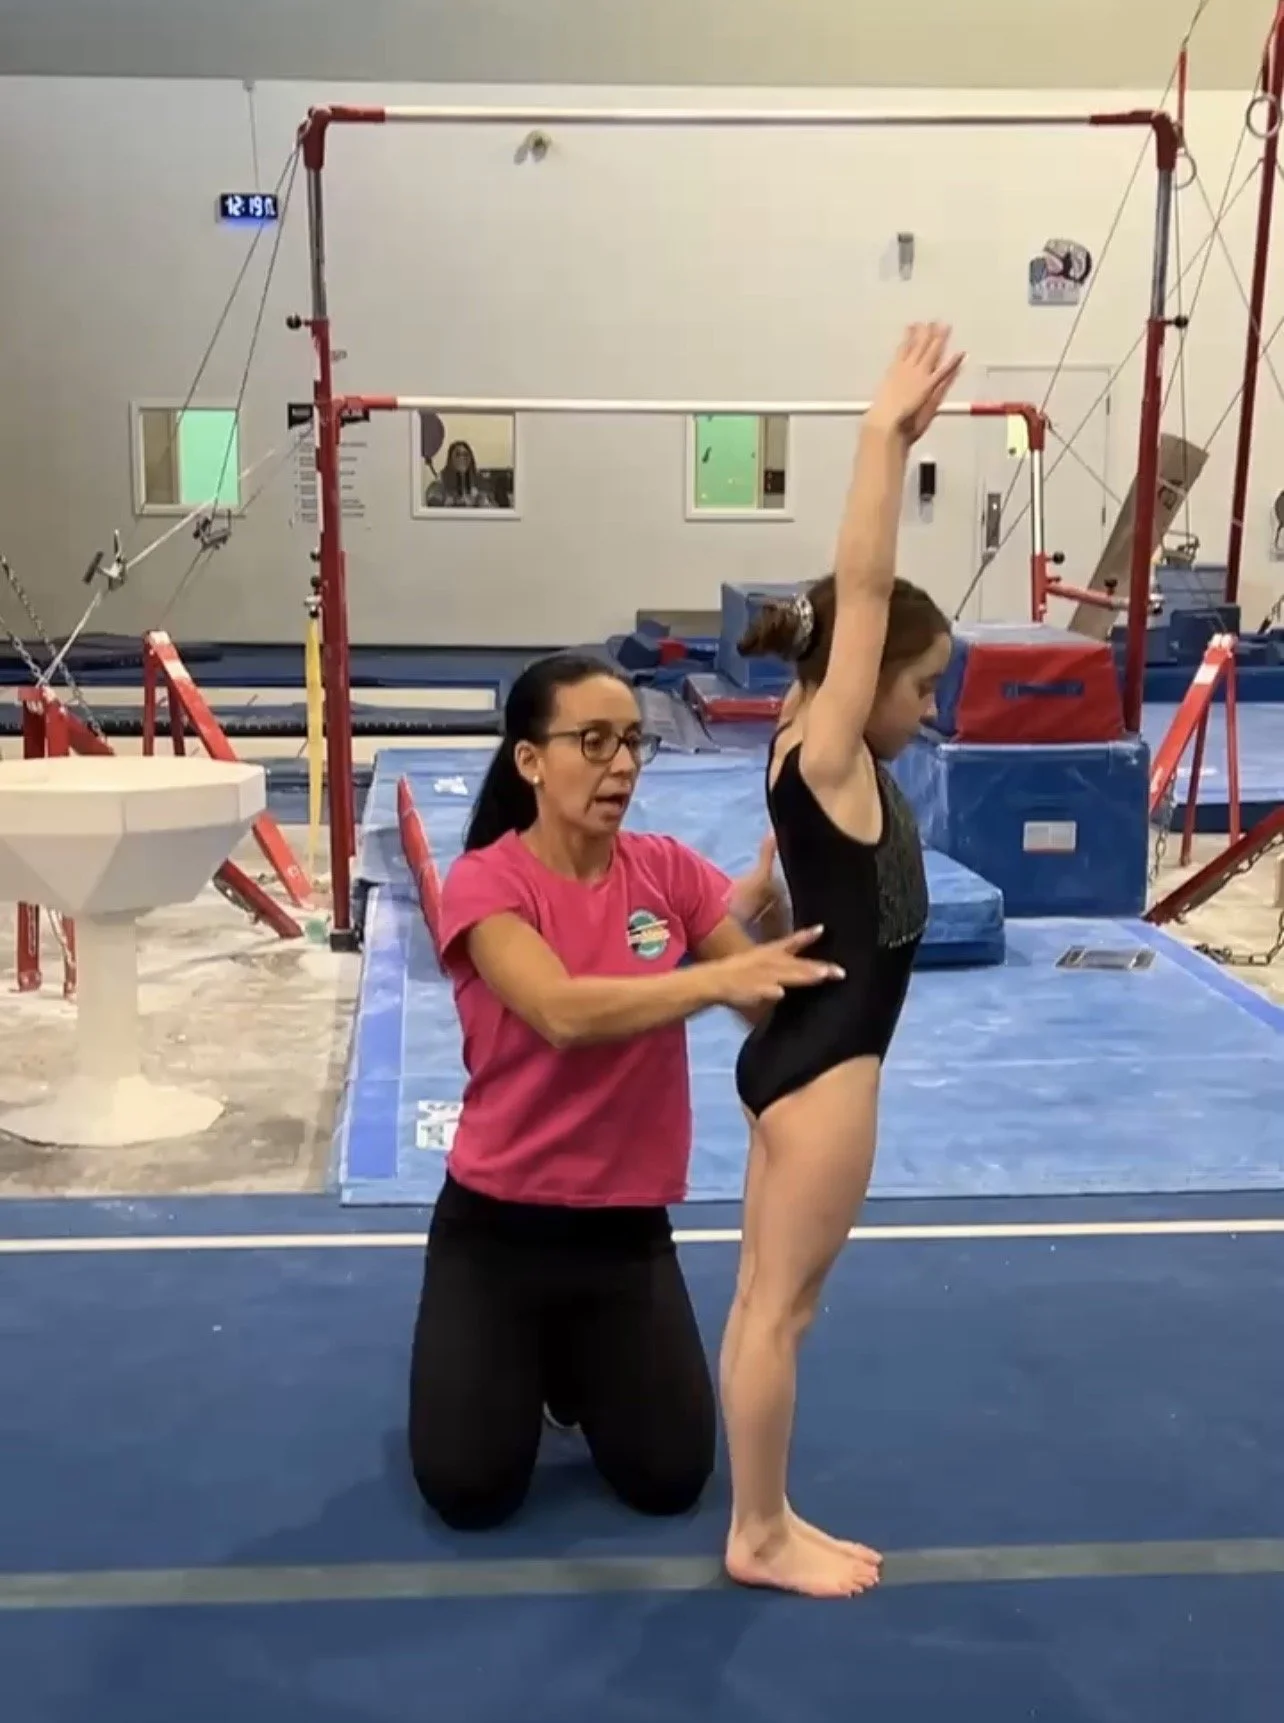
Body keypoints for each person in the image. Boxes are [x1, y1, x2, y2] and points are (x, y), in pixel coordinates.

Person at [407, 651, 841, 1531]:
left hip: (623, 1234)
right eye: (593, 741)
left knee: (669, 1477)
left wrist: (782, 916)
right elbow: (560, 1011)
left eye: (634, 742)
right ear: (531, 760)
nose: (623, 764)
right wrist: (709, 978)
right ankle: (528, 1357)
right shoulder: (489, 881)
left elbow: (766, 1004)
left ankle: (571, 1363)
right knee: (470, 1491)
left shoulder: (665, 872)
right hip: (496, 1230)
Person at [720, 323, 963, 1599]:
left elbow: (774, 897)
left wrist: (751, 927)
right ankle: (758, 1533)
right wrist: (883, 436)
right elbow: (862, 590)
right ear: (858, 677)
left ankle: (764, 1512)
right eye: (919, 688)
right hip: (830, 1077)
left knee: (763, 1303)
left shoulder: (796, 751)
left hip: (794, 1057)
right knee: (781, 1315)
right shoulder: (831, 755)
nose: (927, 710)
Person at [424, 439, 495, 509]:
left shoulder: (479, 479)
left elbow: (491, 506)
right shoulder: (441, 479)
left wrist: (482, 500)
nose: (462, 458)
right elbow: (432, 502)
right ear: (450, 460)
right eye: (458, 455)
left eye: (465, 454)